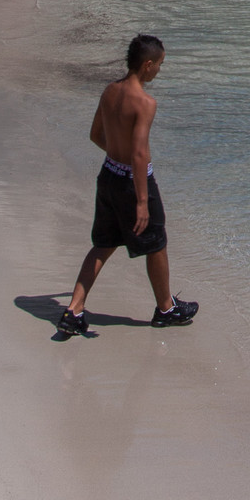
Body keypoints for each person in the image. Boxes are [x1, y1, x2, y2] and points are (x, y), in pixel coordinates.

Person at [56, 34, 198, 335]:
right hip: (134, 183)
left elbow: (95, 135)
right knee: (156, 243)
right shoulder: (145, 103)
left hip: (108, 175)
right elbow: (139, 153)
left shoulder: (110, 91)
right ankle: (166, 309)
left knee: (103, 245)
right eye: (159, 65)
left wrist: (116, 158)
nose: (159, 70)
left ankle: (73, 311)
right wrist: (142, 201)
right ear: (147, 65)